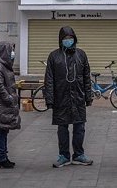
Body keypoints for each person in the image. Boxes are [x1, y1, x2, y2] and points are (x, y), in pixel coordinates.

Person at [44, 26, 93, 168]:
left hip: (78, 97)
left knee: (80, 127)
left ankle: (78, 154)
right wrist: (49, 100)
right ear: (61, 40)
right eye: (65, 38)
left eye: (71, 38)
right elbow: (49, 79)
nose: (68, 40)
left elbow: (86, 77)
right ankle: (64, 155)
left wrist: (88, 97)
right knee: (62, 128)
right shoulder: (54, 56)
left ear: (75, 38)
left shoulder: (81, 55)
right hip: (61, 98)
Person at [0, 42, 21, 169]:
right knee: (2, 130)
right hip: (3, 104)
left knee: (4, 130)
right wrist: (8, 98)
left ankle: (3, 156)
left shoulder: (5, 66)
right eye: (11, 50)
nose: (12, 53)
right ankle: (1, 158)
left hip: (7, 104)